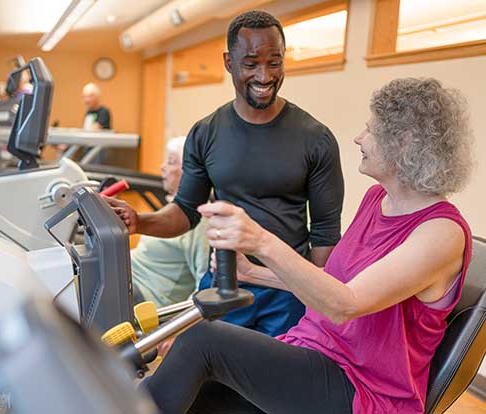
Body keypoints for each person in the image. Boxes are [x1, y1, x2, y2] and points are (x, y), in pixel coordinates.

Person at [144, 77, 474, 414]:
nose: (359, 138)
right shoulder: (377, 200)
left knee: (203, 340)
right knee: (203, 392)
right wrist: (252, 273)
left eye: (370, 131)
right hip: (313, 353)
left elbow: (345, 303)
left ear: (403, 143)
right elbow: (331, 284)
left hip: (363, 389)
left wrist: (260, 239)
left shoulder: (441, 234)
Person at [106, 10, 344, 336]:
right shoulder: (206, 133)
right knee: (215, 381)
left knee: (273, 383)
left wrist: (320, 302)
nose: (264, 75)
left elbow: (326, 233)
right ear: (229, 62)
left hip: (288, 291)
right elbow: (186, 212)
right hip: (224, 285)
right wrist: (141, 221)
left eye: (274, 63)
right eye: (250, 64)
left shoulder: (315, 138)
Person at [129, 136, 209, 307]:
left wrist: (178, 328)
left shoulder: (200, 219)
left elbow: (204, 284)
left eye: (171, 162)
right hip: (128, 280)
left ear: (190, 171)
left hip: (145, 299)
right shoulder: (170, 209)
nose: (162, 167)